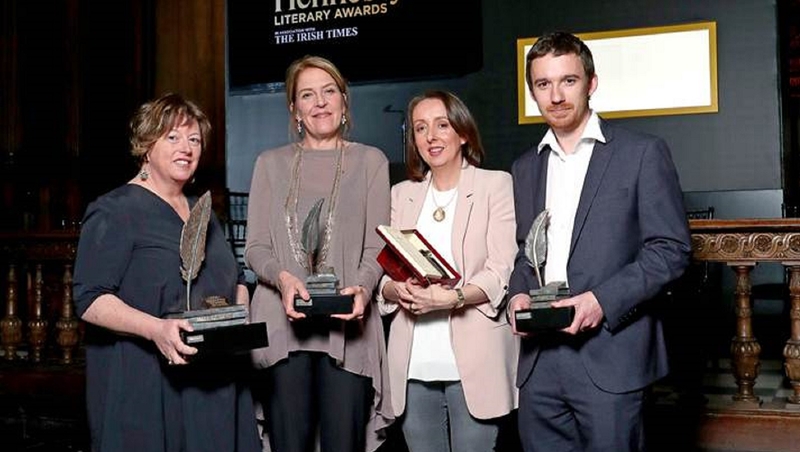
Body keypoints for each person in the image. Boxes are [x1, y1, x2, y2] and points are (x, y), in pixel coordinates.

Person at [508, 32, 692, 451]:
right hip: (539, 363)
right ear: (532, 92)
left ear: (591, 83)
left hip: (611, 358)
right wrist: (517, 295)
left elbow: (671, 250)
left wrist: (600, 301)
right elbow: (527, 253)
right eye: (543, 84)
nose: (555, 96)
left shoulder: (642, 153)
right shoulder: (525, 167)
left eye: (568, 81)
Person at [72, 93, 261, 451]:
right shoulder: (113, 210)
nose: (186, 148)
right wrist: (156, 329)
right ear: (146, 145)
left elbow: (235, 279)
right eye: (172, 137)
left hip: (215, 381)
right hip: (146, 386)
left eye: (194, 140)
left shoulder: (205, 211)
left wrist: (240, 314)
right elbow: (89, 298)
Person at [245, 55, 393, 452]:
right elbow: (255, 247)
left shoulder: (371, 161)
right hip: (281, 328)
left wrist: (361, 290)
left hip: (348, 329)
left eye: (329, 92)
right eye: (307, 95)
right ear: (294, 109)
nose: (320, 102)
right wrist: (283, 278)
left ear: (344, 101)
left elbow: (377, 246)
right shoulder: (269, 164)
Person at [377, 90, 518, 452]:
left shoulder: (495, 185)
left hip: (475, 359)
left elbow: (500, 269)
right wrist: (398, 291)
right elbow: (384, 278)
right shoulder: (401, 194)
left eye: (442, 125)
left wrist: (451, 298)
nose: (431, 137)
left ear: (463, 133)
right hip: (413, 365)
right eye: (421, 128)